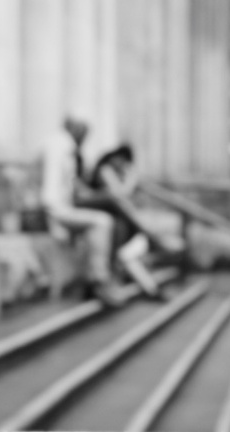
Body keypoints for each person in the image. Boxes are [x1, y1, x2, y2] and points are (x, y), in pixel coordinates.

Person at [40, 115, 125, 307]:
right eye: (84, 132)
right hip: (55, 210)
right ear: (76, 129)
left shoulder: (62, 146)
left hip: (59, 207)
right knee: (103, 222)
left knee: (109, 217)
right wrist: (54, 221)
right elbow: (50, 191)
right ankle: (98, 279)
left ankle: (97, 277)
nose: (86, 137)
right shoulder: (60, 145)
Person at [81, 144, 167, 299]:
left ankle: (152, 288)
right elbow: (120, 194)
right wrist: (131, 179)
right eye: (122, 161)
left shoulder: (114, 172)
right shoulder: (105, 169)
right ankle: (151, 238)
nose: (122, 165)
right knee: (126, 252)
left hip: (117, 220)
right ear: (116, 157)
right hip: (105, 215)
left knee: (127, 254)